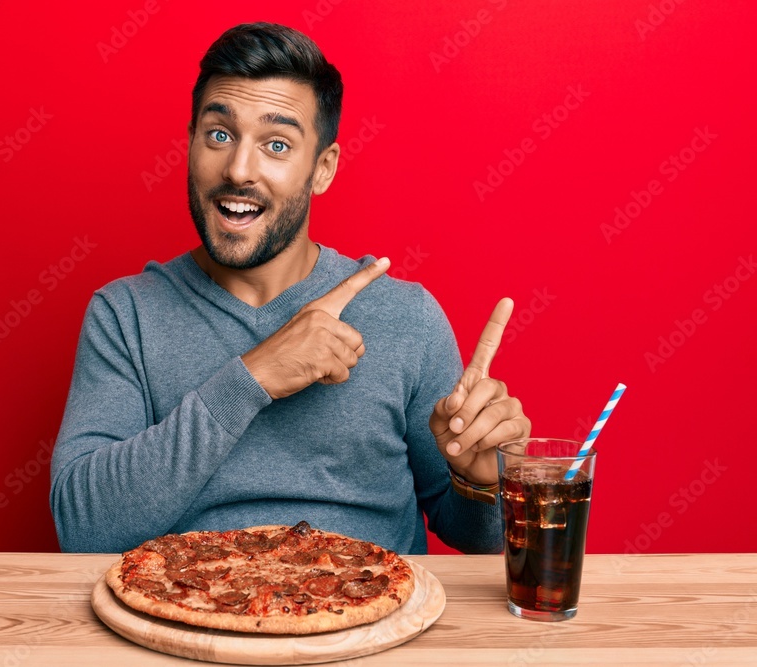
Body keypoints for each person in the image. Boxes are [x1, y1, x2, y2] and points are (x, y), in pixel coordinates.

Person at [50, 22, 529, 555]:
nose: (238, 169)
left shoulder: (405, 317)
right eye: (219, 135)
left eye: (276, 144)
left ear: (322, 169)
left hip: (371, 623)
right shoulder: (125, 315)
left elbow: (480, 541)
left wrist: (483, 482)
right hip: (188, 620)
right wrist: (253, 377)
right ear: (190, 146)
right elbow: (83, 528)